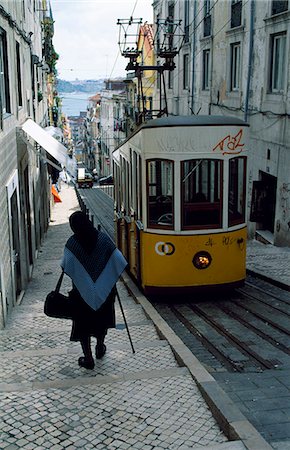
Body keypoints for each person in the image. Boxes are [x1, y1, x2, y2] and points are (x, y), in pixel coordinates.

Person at [61, 211, 127, 370]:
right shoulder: (103, 240)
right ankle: (100, 347)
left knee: (83, 325)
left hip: (81, 293)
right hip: (105, 291)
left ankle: (88, 358)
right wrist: (107, 277)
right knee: (101, 320)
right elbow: (117, 260)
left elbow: (66, 266)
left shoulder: (72, 244)